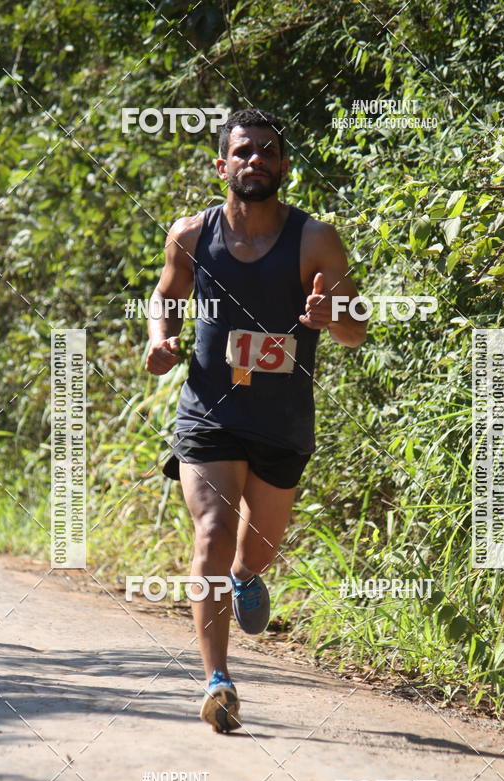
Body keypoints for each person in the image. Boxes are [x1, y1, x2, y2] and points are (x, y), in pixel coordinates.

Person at [146, 108, 366, 733]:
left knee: (254, 551)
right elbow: (166, 294)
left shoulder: (315, 241)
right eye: (243, 151)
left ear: (284, 166)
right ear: (222, 166)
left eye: (268, 151)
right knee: (212, 533)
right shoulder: (191, 235)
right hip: (209, 412)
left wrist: (332, 318)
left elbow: (357, 329)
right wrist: (160, 340)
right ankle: (218, 680)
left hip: (282, 421)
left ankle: (246, 577)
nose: (255, 160)